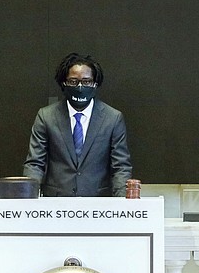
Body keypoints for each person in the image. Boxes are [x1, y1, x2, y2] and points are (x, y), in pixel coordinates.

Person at [23, 52, 132, 196]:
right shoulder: (46, 116)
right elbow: (35, 163)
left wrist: (122, 204)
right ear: (64, 83)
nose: (80, 87)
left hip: (98, 204)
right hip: (56, 204)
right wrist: (27, 198)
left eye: (86, 81)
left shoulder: (112, 118)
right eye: (73, 81)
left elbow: (121, 167)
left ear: (95, 83)